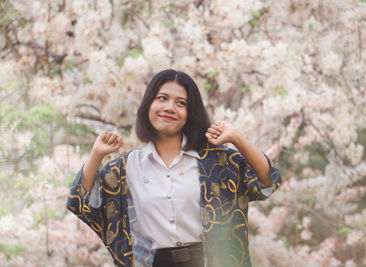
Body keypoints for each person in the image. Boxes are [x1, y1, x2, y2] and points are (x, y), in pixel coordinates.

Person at [67, 69, 282, 267]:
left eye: (181, 103)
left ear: (190, 112)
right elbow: (81, 202)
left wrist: (237, 138)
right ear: (148, 104)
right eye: (162, 98)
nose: (170, 108)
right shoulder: (127, 166)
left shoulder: (216, 161)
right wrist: (96, 154)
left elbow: (268, 181)